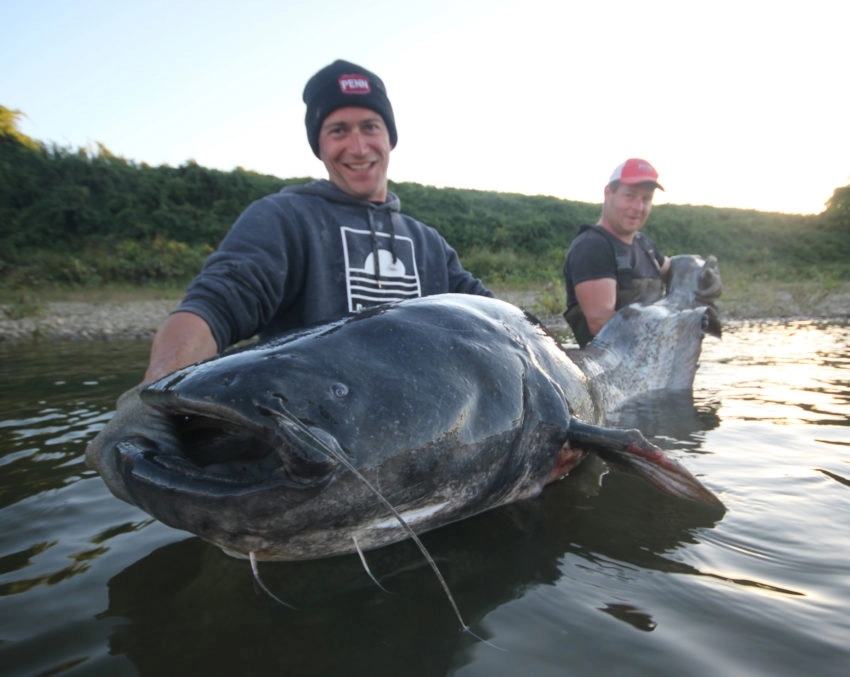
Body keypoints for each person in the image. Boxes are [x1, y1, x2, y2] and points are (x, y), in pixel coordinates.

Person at [86, 59, 492, 477]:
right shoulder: (282, 219)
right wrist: (153, 395)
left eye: (370, 126)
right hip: (313, 464)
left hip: (425, 456)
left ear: (390, 137)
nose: (357, 146)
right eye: (338, 131)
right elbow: (215, 305)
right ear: (319, 145)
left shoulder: (429, 244)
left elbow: (499, 325)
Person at [562, 158, 670, 348]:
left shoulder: (645, 246)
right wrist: (672, 328)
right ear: (608, 193)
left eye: (646, 199)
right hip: (612, 372)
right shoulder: (592, 247)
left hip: (654, 364)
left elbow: (673, 267)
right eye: (630, 195)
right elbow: (602, 325)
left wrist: (698, 271)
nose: (638, 207)